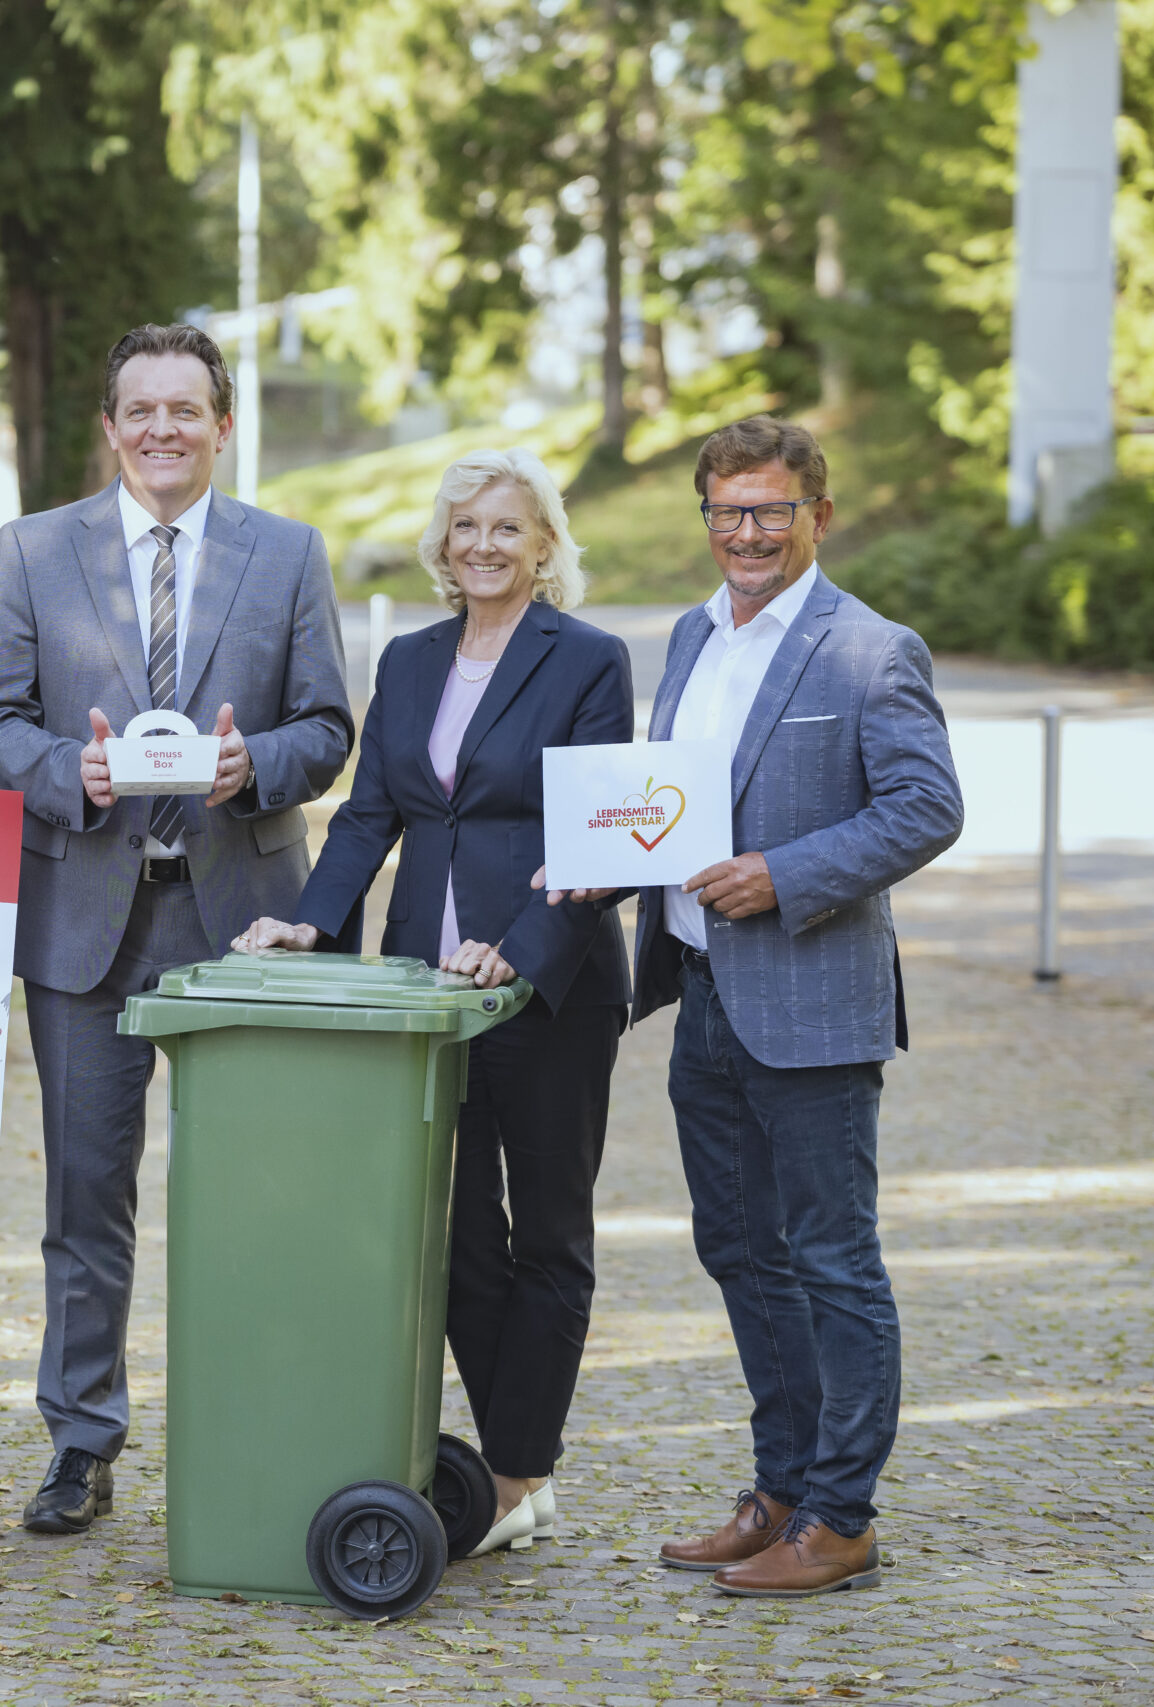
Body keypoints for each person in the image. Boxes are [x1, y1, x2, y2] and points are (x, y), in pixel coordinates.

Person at [0, 323, 355, 1535]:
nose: (163, 430)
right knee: (87, 1200)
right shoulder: (32, 550)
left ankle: (265, 1424)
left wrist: (256, 766)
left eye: (186, 410)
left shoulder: (287, 556)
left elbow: (332, 726)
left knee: (258, 1193)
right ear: (111, 425)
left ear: (221, 426)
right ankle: (81, 1442)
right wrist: (62, 775)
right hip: (87, 915)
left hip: (244, 915)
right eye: (141, 410)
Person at [557, 416, 962, 1595]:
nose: (746, 532)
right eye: (727, 512)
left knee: (832, 1258)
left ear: (815, 518)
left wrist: (784, 876)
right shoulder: (689, 635)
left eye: (770, 511)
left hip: (813, 998)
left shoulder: (870, 650)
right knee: (737, 1248)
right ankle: (780, 1489)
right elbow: (674, 803)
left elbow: (924, 810)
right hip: (698, 990)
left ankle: (841, 1515)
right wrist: (605, 854)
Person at [233, 448, 633, 1558]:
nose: (484, 546)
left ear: (544, 545)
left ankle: (513, 1474)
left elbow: (598, 827)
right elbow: (370, 814)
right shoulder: (408, 661)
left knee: (548, 1233)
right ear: (441, 545)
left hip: (546, 985)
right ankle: (518, 1467)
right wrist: (311, 921)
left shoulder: (587, 660)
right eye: (466, 528)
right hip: (423, 992)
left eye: (507, 528)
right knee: (449, 1237)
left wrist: (519, 944)